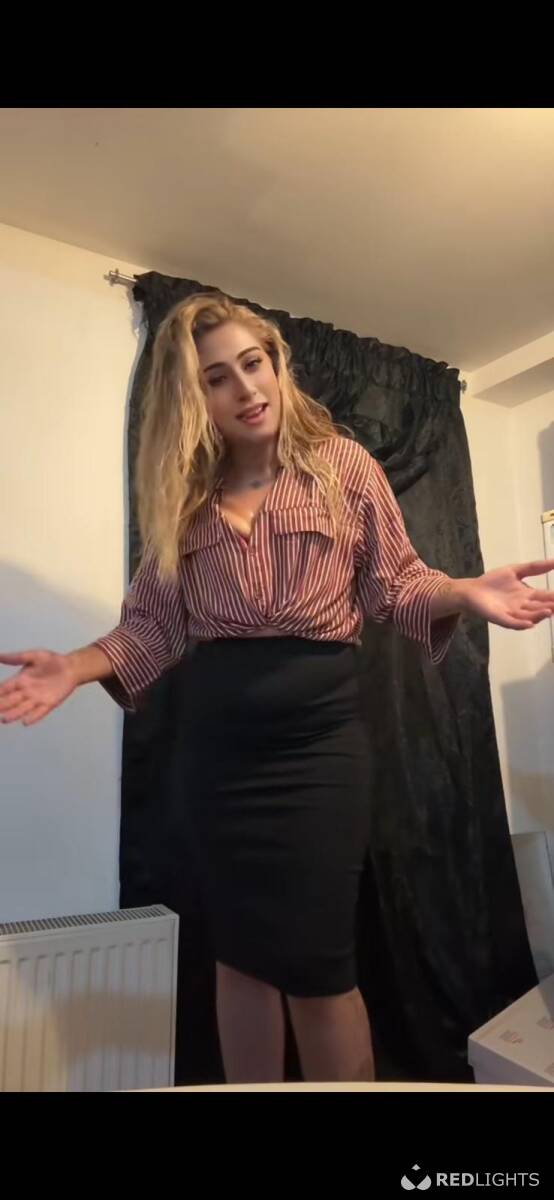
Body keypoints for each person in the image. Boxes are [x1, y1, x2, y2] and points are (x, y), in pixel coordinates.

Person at [1, 293, 553, 1086]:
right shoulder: (183, 504)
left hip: (318, 750)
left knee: (319, 968)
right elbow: (151, 629)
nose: (245, 389)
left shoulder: (343, 468)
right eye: (217, 379)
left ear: (277, 364)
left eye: (253, 364)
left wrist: (463, 591)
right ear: (195, 399)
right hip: (217, 762)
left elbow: (397, 586)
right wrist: (74, 665)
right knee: (241, 958)